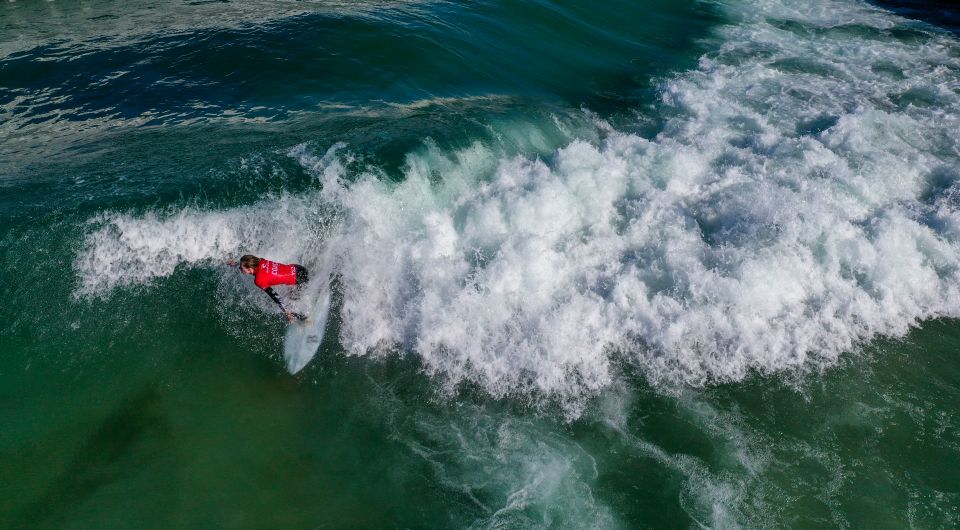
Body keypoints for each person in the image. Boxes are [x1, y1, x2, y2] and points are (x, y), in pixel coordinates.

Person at [226, 254, 308, 322]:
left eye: (241, 268)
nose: (240, 269)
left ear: (250, 269)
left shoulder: (259, 280)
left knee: (291, 307)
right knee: (290, 296)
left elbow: (274, 295)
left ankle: (306, 319)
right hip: (298, 268)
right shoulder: (261, 261)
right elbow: (250, 264)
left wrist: (286, 312)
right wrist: (236, 263)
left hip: (300, 278)